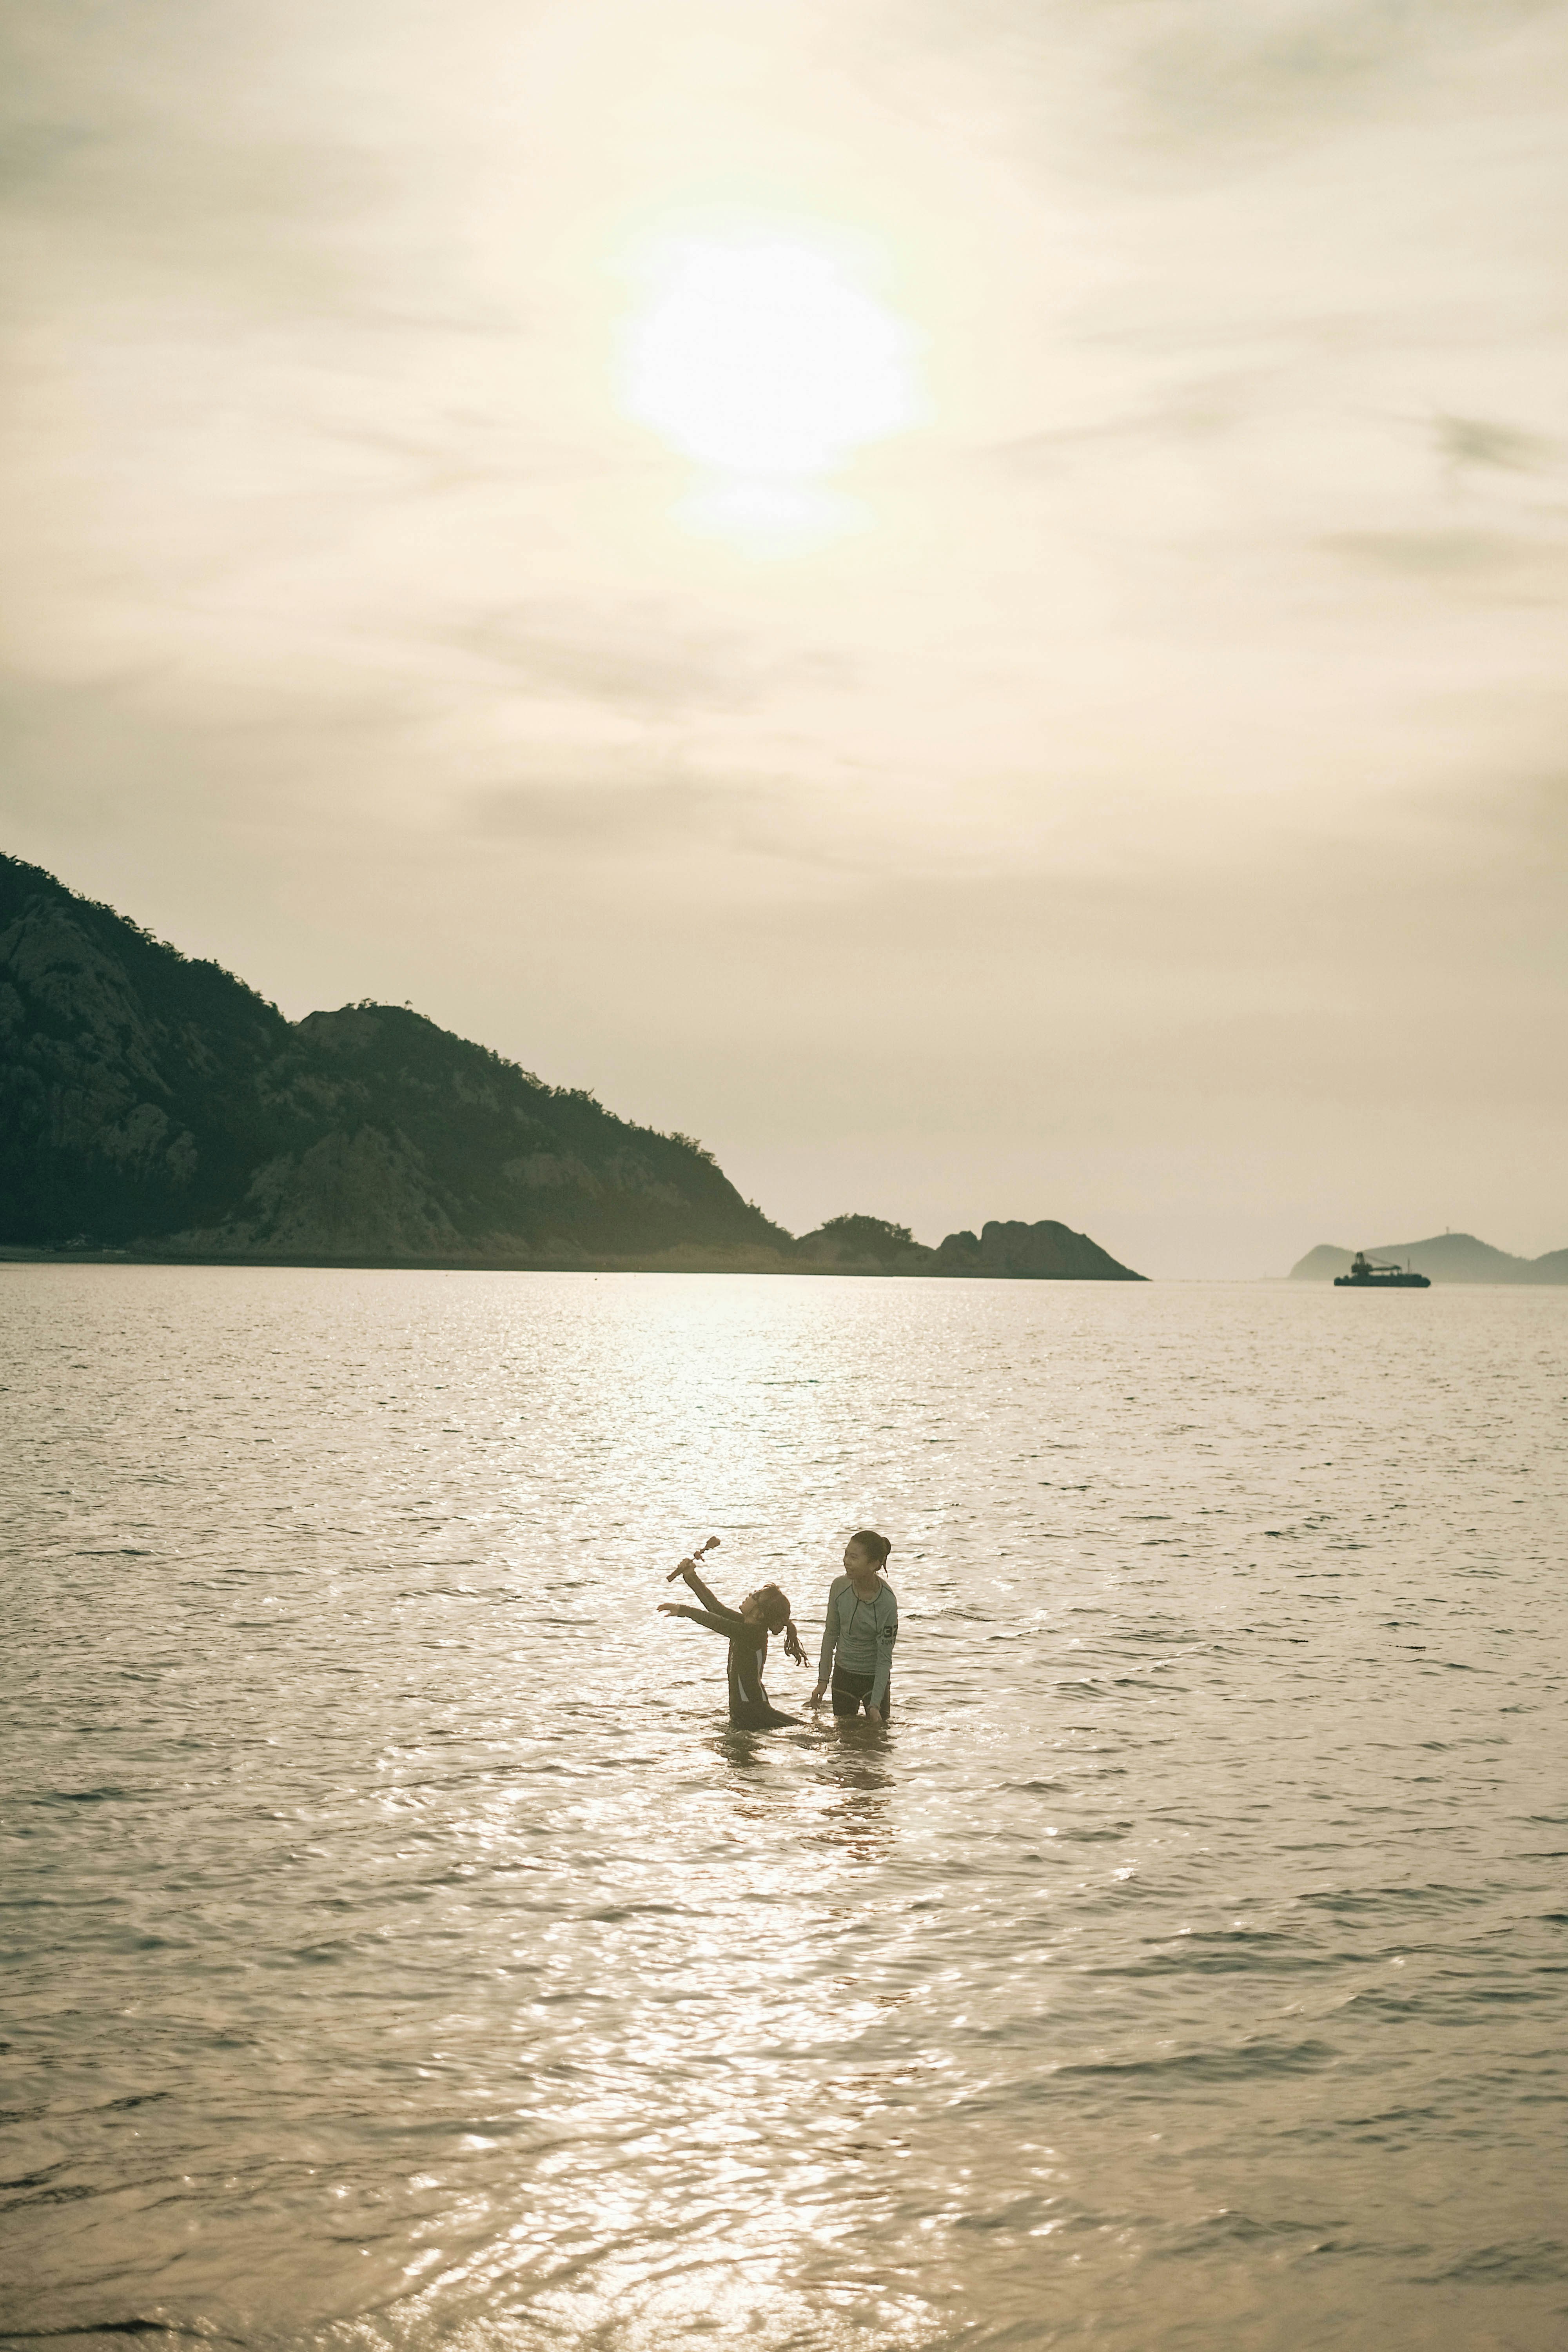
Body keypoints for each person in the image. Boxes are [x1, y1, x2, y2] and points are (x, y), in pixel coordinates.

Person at [659, 1555, 807, 1729]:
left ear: (760, 1614)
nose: (751, 1595)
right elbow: (715, 1609)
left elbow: (716, 1622)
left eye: (756, 1597)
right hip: (749, 1711)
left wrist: (684, 1610)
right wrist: (691, 1576)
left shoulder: (753, 1635)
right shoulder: (746, 1626)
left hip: (752, 1712)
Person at [808, 1530, 897, 1725]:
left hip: (873, 1680)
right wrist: (822, 1682)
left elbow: (885, 1659)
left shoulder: (887, 1603)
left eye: (854, 1557)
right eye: (846, 1554)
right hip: (844, 1676)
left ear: (874, 1564)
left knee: (877, 1743)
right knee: (843, 1744)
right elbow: (830, 1635)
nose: (846, 1561)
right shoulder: (839, 1587)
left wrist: (875, 1705)